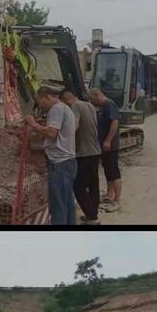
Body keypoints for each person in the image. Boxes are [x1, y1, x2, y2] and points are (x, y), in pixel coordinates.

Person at [24, 87, 77, 225]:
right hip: (67, 163)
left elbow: (52, 133)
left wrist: (33, 124)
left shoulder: (57, 109)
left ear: (46, 97)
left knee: (58, 205)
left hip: (60, 164)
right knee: (67, 203)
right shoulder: (65, 108)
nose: (40, 106)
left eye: (40, 102)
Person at [59, 89, 101, 225]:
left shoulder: (75, 106)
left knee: (78, 186)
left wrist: (59, 135)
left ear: (66, 100)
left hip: (85, 152)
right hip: (95, 151)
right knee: (93, 184)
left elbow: (74, 127)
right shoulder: (89, 105)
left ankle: (92, 217)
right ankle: (93, 213)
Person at [87, 88, 122, 213]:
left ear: (98, 95)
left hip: (110, 145)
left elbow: (114, 123)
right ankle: (109, 194)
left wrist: (108, 140)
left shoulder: (109, 104)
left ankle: (117, 200)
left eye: (92, 99)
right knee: (108, 170)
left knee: (113, 171)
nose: (92, 102)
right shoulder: (103, 107)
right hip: (104, 145)